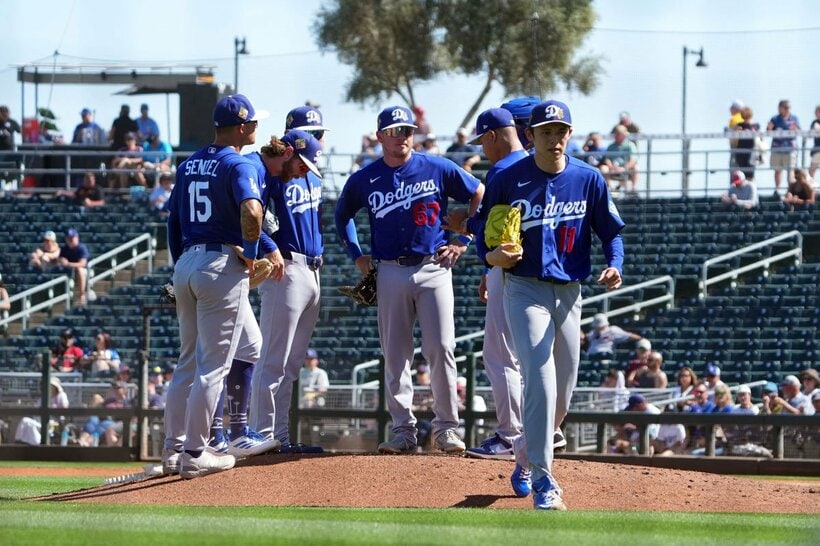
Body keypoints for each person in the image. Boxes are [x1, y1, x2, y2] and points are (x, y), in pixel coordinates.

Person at [478, 99, 625, 511]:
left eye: (561, 131)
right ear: (531, 136)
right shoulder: (510, 177)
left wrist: (615, 264)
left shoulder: (588, 178)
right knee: (539, 380)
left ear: (570, 135)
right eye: (546, 131)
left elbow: (610, 233)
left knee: (565, 392)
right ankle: (544, 480)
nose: (554, 138)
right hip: (523, 288)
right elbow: (484, 240)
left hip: (570, 291)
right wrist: (494, 259)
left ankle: (524, 450)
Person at [334, 104, 484, 456]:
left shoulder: (436, 166)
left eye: (407, 130)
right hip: (388, 269)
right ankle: (403, 430)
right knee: (396, 354)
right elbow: (342, 215)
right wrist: (357, 255)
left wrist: (463, 240)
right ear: (380, 135)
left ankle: (447, 429)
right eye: (395, 130)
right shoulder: (365, 177)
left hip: (433, 266)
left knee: (441, 349)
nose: (402, 136)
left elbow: (479, 193)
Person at [162, 93, 271, 479]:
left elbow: (172, 221)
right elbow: (253, 210)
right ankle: (195, 453)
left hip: (188, 260)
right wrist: (253, 252)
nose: (258, 128)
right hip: (220, 263)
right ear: (241, 127)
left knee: (186, 363)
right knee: (213, 368)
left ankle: (173, 450)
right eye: (255, 123)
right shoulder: (236, 162)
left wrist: (181, 264)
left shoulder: (189, 163)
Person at [247, 105, 329, 454]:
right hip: (287, 268)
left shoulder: (309, 172)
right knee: (273, 360)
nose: (318, 138)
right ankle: (260, 435)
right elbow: (253, 213)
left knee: (292, 364)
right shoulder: (273, 174)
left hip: (314, 270)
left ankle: (278, 437)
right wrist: (267, 246)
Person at [456, 107, 528, 461]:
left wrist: (461, 223)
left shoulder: (502, 169)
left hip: (507, 268)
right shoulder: (533, 163)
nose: (483, 151)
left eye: (483, 143)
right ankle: (535, 433)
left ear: (491, 136)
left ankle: (510, 435)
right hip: (533, 274)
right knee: (522, 358)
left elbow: (489, 228)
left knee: (500, 356)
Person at [13, 376, 69, 446]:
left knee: (29, 424)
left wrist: (53, 407)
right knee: (25, 421)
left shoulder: (61, 395)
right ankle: (18, 441)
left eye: (51, 386)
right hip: (39, 421)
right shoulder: (42, 398)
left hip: (54, 423)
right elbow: (36, 410)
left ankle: (39, 444)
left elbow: (65, 407)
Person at [767, 99, 801, 195]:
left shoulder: (794, 118)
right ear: (779, 108)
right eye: (784, 107)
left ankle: (790, 191)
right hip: (777, 148)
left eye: (788, 108)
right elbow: (768, 131)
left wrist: (796, 129)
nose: (786, 110)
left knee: (790, 170)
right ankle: (777, 189)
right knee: (777, 170)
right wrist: (769, 128)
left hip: (790, 149)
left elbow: (799, 130)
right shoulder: (774, 118)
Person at [57, 228, 91, 305]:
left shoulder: (81, 248)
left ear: (77, 238)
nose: (71, 240)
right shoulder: (64, 249)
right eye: (69, 238)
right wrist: (61, 260)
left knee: (80, 269)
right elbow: (59, 259)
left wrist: (68, 264)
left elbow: (82, 264)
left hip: (84, 272)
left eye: (72, 238)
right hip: (70, 272)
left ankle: (81, 295)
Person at [602, 124, 640, 194]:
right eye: (616, 134)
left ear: (623, 135)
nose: (616, 136)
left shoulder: (630, 145)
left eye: (619, 134)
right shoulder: (611, 146)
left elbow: (633, 160)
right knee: (604, 168)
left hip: (626, 169)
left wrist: (624, 168)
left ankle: (633, 190)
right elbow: (607, 159)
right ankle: (612, 189)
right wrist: (611, 167)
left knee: (636, 168)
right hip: (613, 169)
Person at [734, 106, 759, 181]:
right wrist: (737, 132)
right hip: (741, 151)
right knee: (742, 173)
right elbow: (734, 138)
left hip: (751, 151)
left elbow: (759, 137)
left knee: (750, 174)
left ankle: (751, 189)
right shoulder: (739, 125)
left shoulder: (755, 126)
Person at [726, 100, 745, 170]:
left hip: (735, 147)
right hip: (745, 147)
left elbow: (730, 135)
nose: (730, 109)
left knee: (734, 168)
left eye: (732, 107)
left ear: (736, 109)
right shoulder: (745, 118)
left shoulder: (733, 119)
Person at [809, 105, 820, 179]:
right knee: (812, 169)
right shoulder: (815, 122)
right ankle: (810, 185)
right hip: (817, 149)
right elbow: (811, 134)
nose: (816, 114)